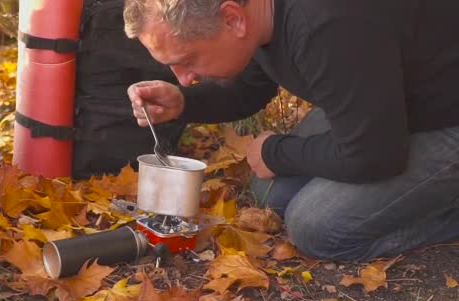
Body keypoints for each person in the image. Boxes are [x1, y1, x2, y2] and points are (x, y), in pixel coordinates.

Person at [123, 0, 459, 261]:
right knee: (272, 193)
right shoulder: (258, 14)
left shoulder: (328, 25)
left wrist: (275, 152)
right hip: (396, 102)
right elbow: (250, 89)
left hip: (445, 117)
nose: (183, 76)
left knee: (319, 228)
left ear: (232, 19)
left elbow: (374, 155)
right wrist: (183, 102)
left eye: (188, 58)